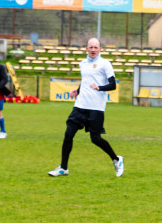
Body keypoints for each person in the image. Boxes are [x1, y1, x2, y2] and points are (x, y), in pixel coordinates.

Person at [48, 38, 124, 178]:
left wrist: (99, 87)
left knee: (95, 139)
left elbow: (113, 85)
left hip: (96, 108)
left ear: (100, 49)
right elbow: (86, 81)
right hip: (80, 105)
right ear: (86, 49)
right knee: (68, 134)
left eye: (96, 47)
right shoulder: (82, 64)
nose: (93, 49)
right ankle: (63, 168)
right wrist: (77, 91)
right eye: (91, 47)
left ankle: (116, 159)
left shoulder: (105, 64)